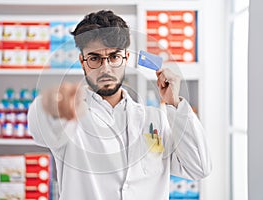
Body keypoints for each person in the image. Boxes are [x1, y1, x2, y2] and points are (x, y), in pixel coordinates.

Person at [28, 10, 211, 200]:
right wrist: (48, 105)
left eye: (114, 56)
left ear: (126, 58)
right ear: (82, 62)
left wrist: (175, 103)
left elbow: (199, 167)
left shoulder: (154, 118)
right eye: (94, 58)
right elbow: (40, 128)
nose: (105, 68)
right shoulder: (70, 118)